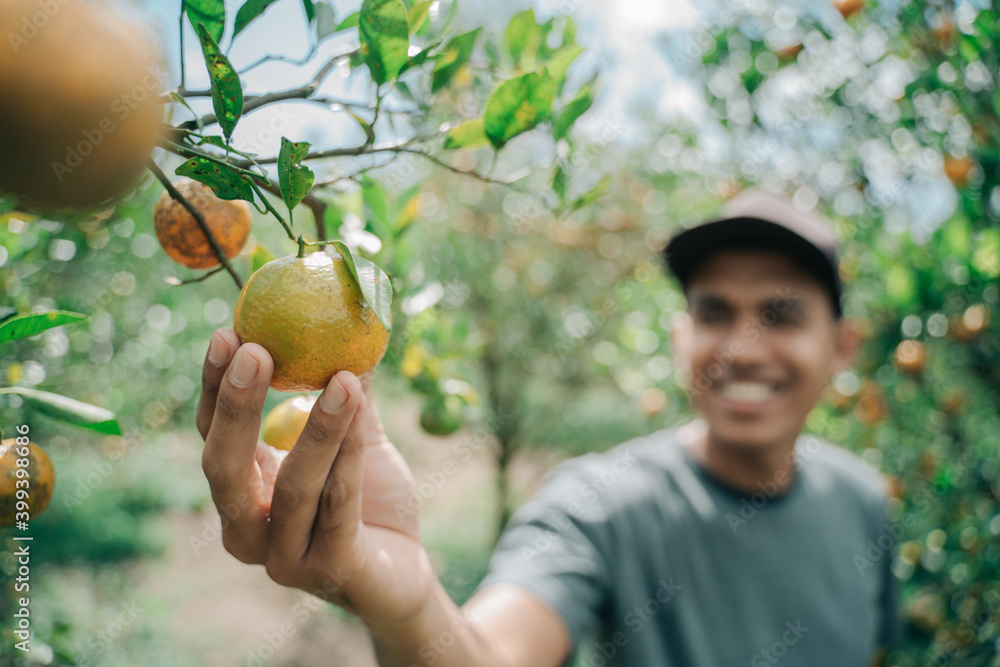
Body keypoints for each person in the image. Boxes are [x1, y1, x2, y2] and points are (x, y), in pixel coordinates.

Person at [196, 188, 901, 666]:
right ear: (682, 335)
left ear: (841, 346)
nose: (743, 347)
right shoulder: (602, 504)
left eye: (781, 315)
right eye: (715, 312)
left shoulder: (865, 501)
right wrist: (410, 607)